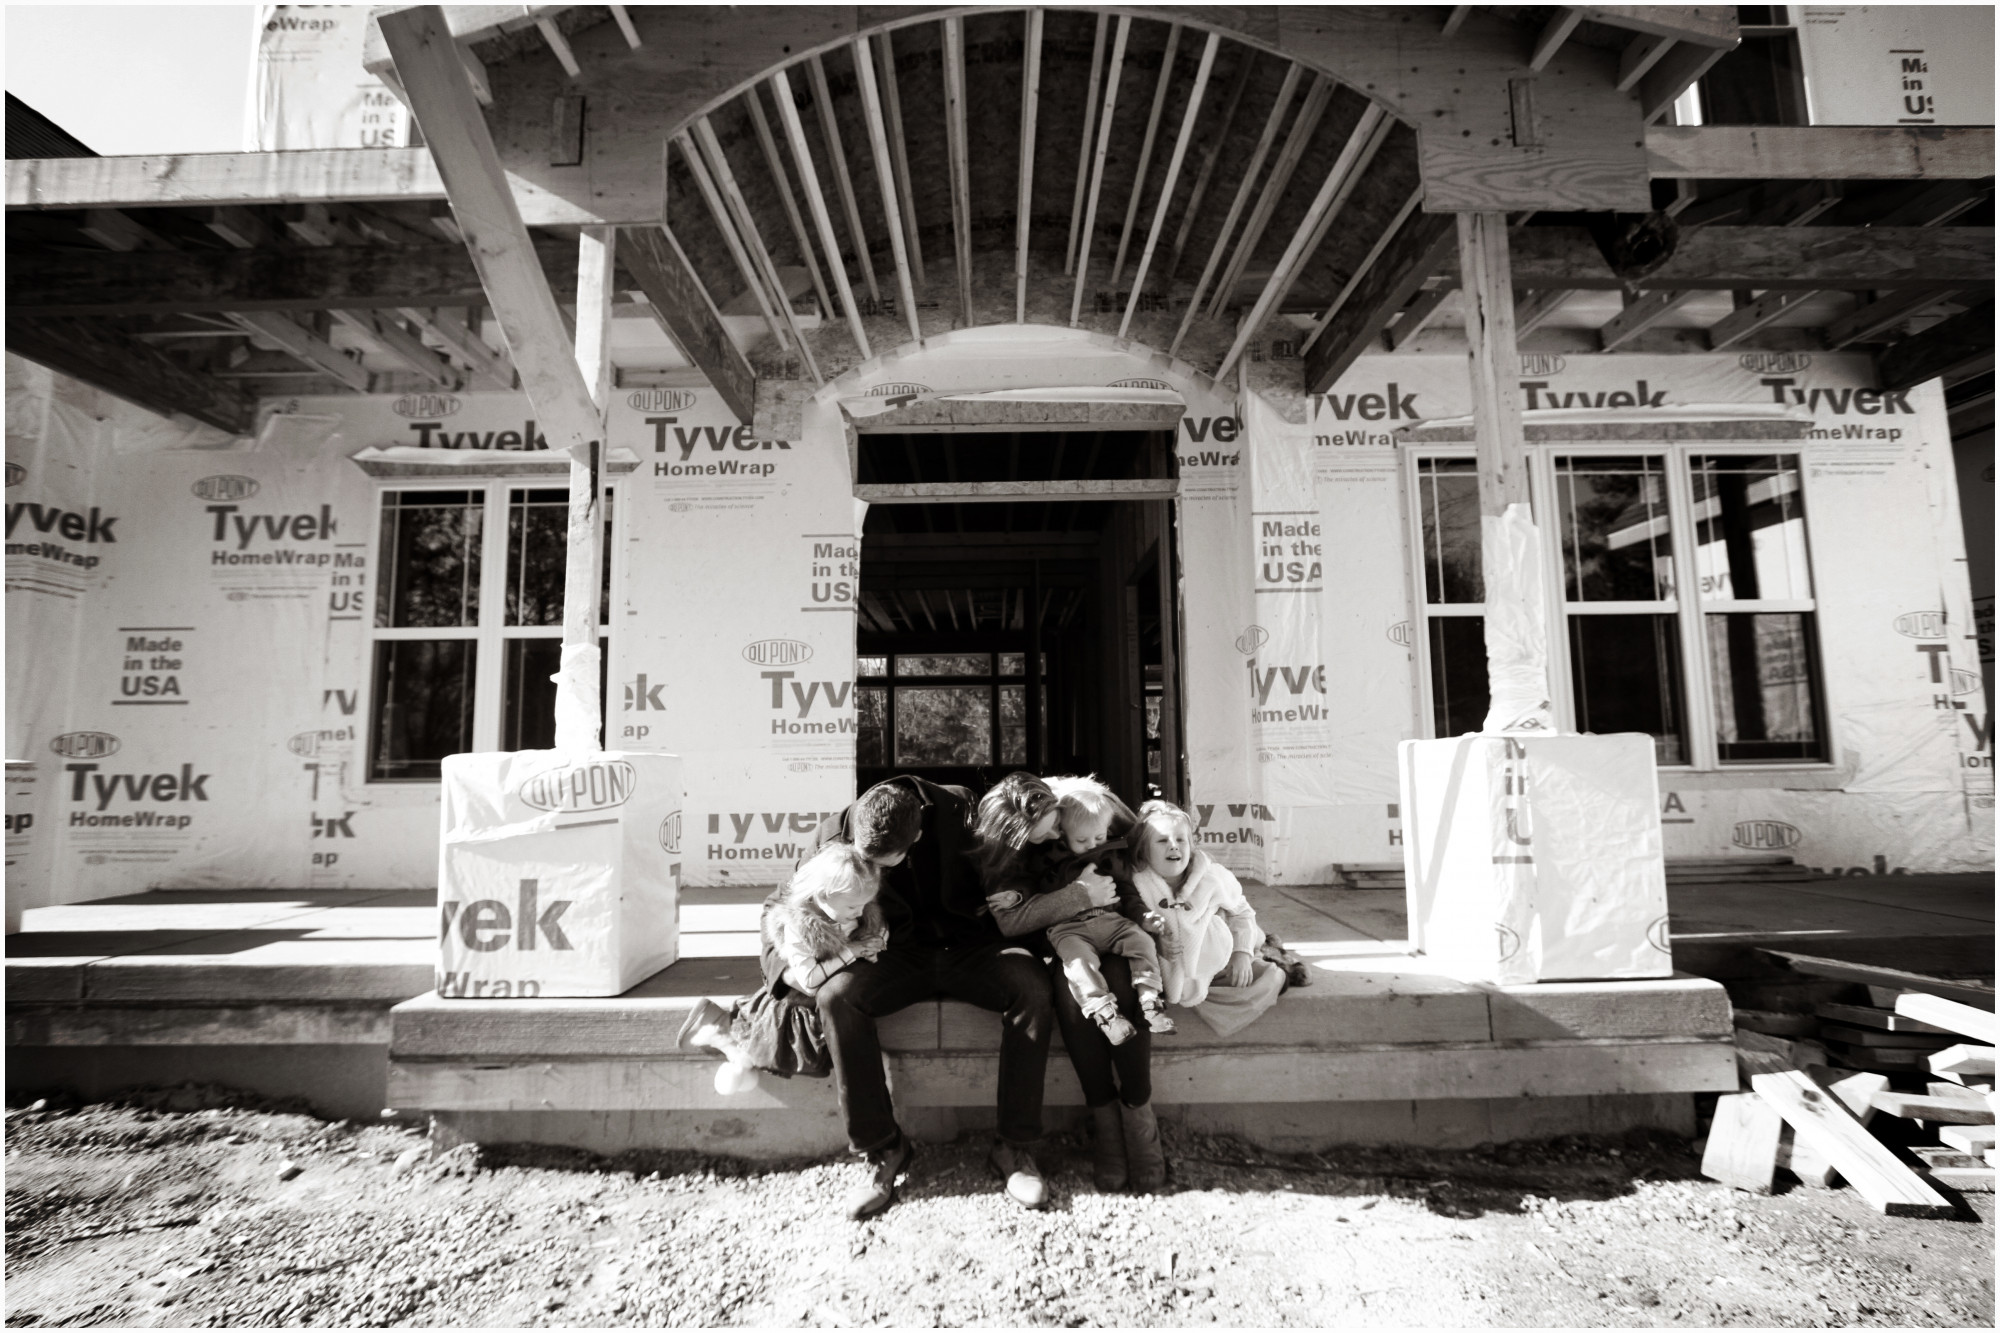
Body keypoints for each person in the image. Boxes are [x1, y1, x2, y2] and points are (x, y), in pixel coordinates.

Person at [808, 775, 1056, 1219]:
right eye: (871, 861)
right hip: (893, 954)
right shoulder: (835, 835)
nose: (879, 871)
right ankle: (883, 1150)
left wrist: (1016, 897)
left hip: (970, 946)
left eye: (890, 860)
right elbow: (787, 903)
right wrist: (793, 973)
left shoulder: (962, 809)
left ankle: (1014, 1148)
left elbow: (1018, 866)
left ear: (918, 832)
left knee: (1033, 987)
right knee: (836, 997)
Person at [976, 771, 1166, 1194]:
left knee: (1122, 980)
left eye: (1060, 824)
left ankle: (1139, 1118)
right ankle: (1107, 1129)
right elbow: (1012, 920)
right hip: (1055, 941)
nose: (1060, 834)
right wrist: (1080, 896)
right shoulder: (1009, 844)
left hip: (1117, 924)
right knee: (1070, 991)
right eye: (1048, 835)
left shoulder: (1091, 807)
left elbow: (1147, 843)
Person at [676, 843, 888, 1095]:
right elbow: (809, 981)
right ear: (822, 895)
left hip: (822, 996)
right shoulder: (799, 927)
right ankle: (721, 1031)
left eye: (865, 905)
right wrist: (851, 951)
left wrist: (874, 944)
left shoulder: (850, 910)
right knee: (773, 1049)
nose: (860, 912)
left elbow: (865, 937)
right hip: (795, 1004)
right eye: (853, 907)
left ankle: (727, 1035)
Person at [1128, 799, 1286, 1037]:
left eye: (1181, 840)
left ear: (1191, 845)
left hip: (1216, 969)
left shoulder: (1211, 877)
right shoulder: (1138, 884)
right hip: (1167, 978)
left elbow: (1242, 912)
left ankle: (1266, 951)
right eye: (1162, 841)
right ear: (1143, 850)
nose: (1173, 846)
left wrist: (1241, 954)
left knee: (1270, 977)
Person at [1037, 775, 1174, 1045]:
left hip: (1111, 920)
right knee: (1078, 965)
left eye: (1099, 836)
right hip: (1070, 927)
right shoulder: (1047, 861)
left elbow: (1126, 890)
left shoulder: (1109, 855)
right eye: (1082, 839)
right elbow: (1039, 898)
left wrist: (1143, 916)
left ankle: (1150, 998)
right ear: (1062, 833)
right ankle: (1105, 1013)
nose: (1092, 845)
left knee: (1141, 941)